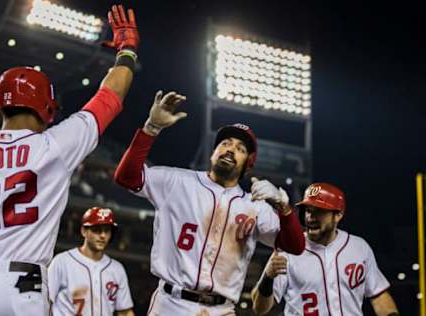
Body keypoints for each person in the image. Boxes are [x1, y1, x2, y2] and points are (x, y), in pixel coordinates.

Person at [0, 5, 139, 316]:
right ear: (47, 108)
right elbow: (109, 98)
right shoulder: (55, 146)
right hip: (22, 286)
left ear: (0, 108)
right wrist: (127, 51)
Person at [113, 91, 305, 315]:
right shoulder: (178, 181)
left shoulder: (256, 207)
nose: (230, 149)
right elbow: (126, 177)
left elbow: (295, 247)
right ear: (214, 152)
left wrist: (284, 208)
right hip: (171, 304)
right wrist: (151, 128)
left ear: (248, 165)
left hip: (221, 309)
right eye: (225, 143)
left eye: (240, 149)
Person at [251, 182, 399, 316]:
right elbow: (259, 309)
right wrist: (268, 278)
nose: (310, 217)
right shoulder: (288, 249)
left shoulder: (359, 247)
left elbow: (379, 296)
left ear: (338, 215)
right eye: (308, 210)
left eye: (319, 211)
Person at [48, 207, 134, 316]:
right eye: (97, 230)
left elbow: (124, 312)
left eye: (107, 231)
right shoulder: (61, 262)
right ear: (84, 231)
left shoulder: (117, 269)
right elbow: (45, 301)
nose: (103, 235)